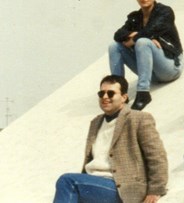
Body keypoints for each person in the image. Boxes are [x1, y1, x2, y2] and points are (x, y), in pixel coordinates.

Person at [54, 75, 168, 203]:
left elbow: (156, 155)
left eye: (111, 93)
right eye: (101, 93)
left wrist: (155, 190)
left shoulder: (138, 118)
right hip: (93, 184)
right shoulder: (96, 122)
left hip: (122, 187)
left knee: (67, 181)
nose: (105, 97)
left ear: (124, 97)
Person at [109, 0, 184, 111]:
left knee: (143, 42)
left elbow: (152, 30)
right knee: (114, 47)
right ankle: (118, 92)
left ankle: (143, 93)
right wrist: (138, 35)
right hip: (151, 73)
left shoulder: (165, 12)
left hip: (170, 67)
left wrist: (139, 38)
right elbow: (118, 35)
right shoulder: (135, 17)